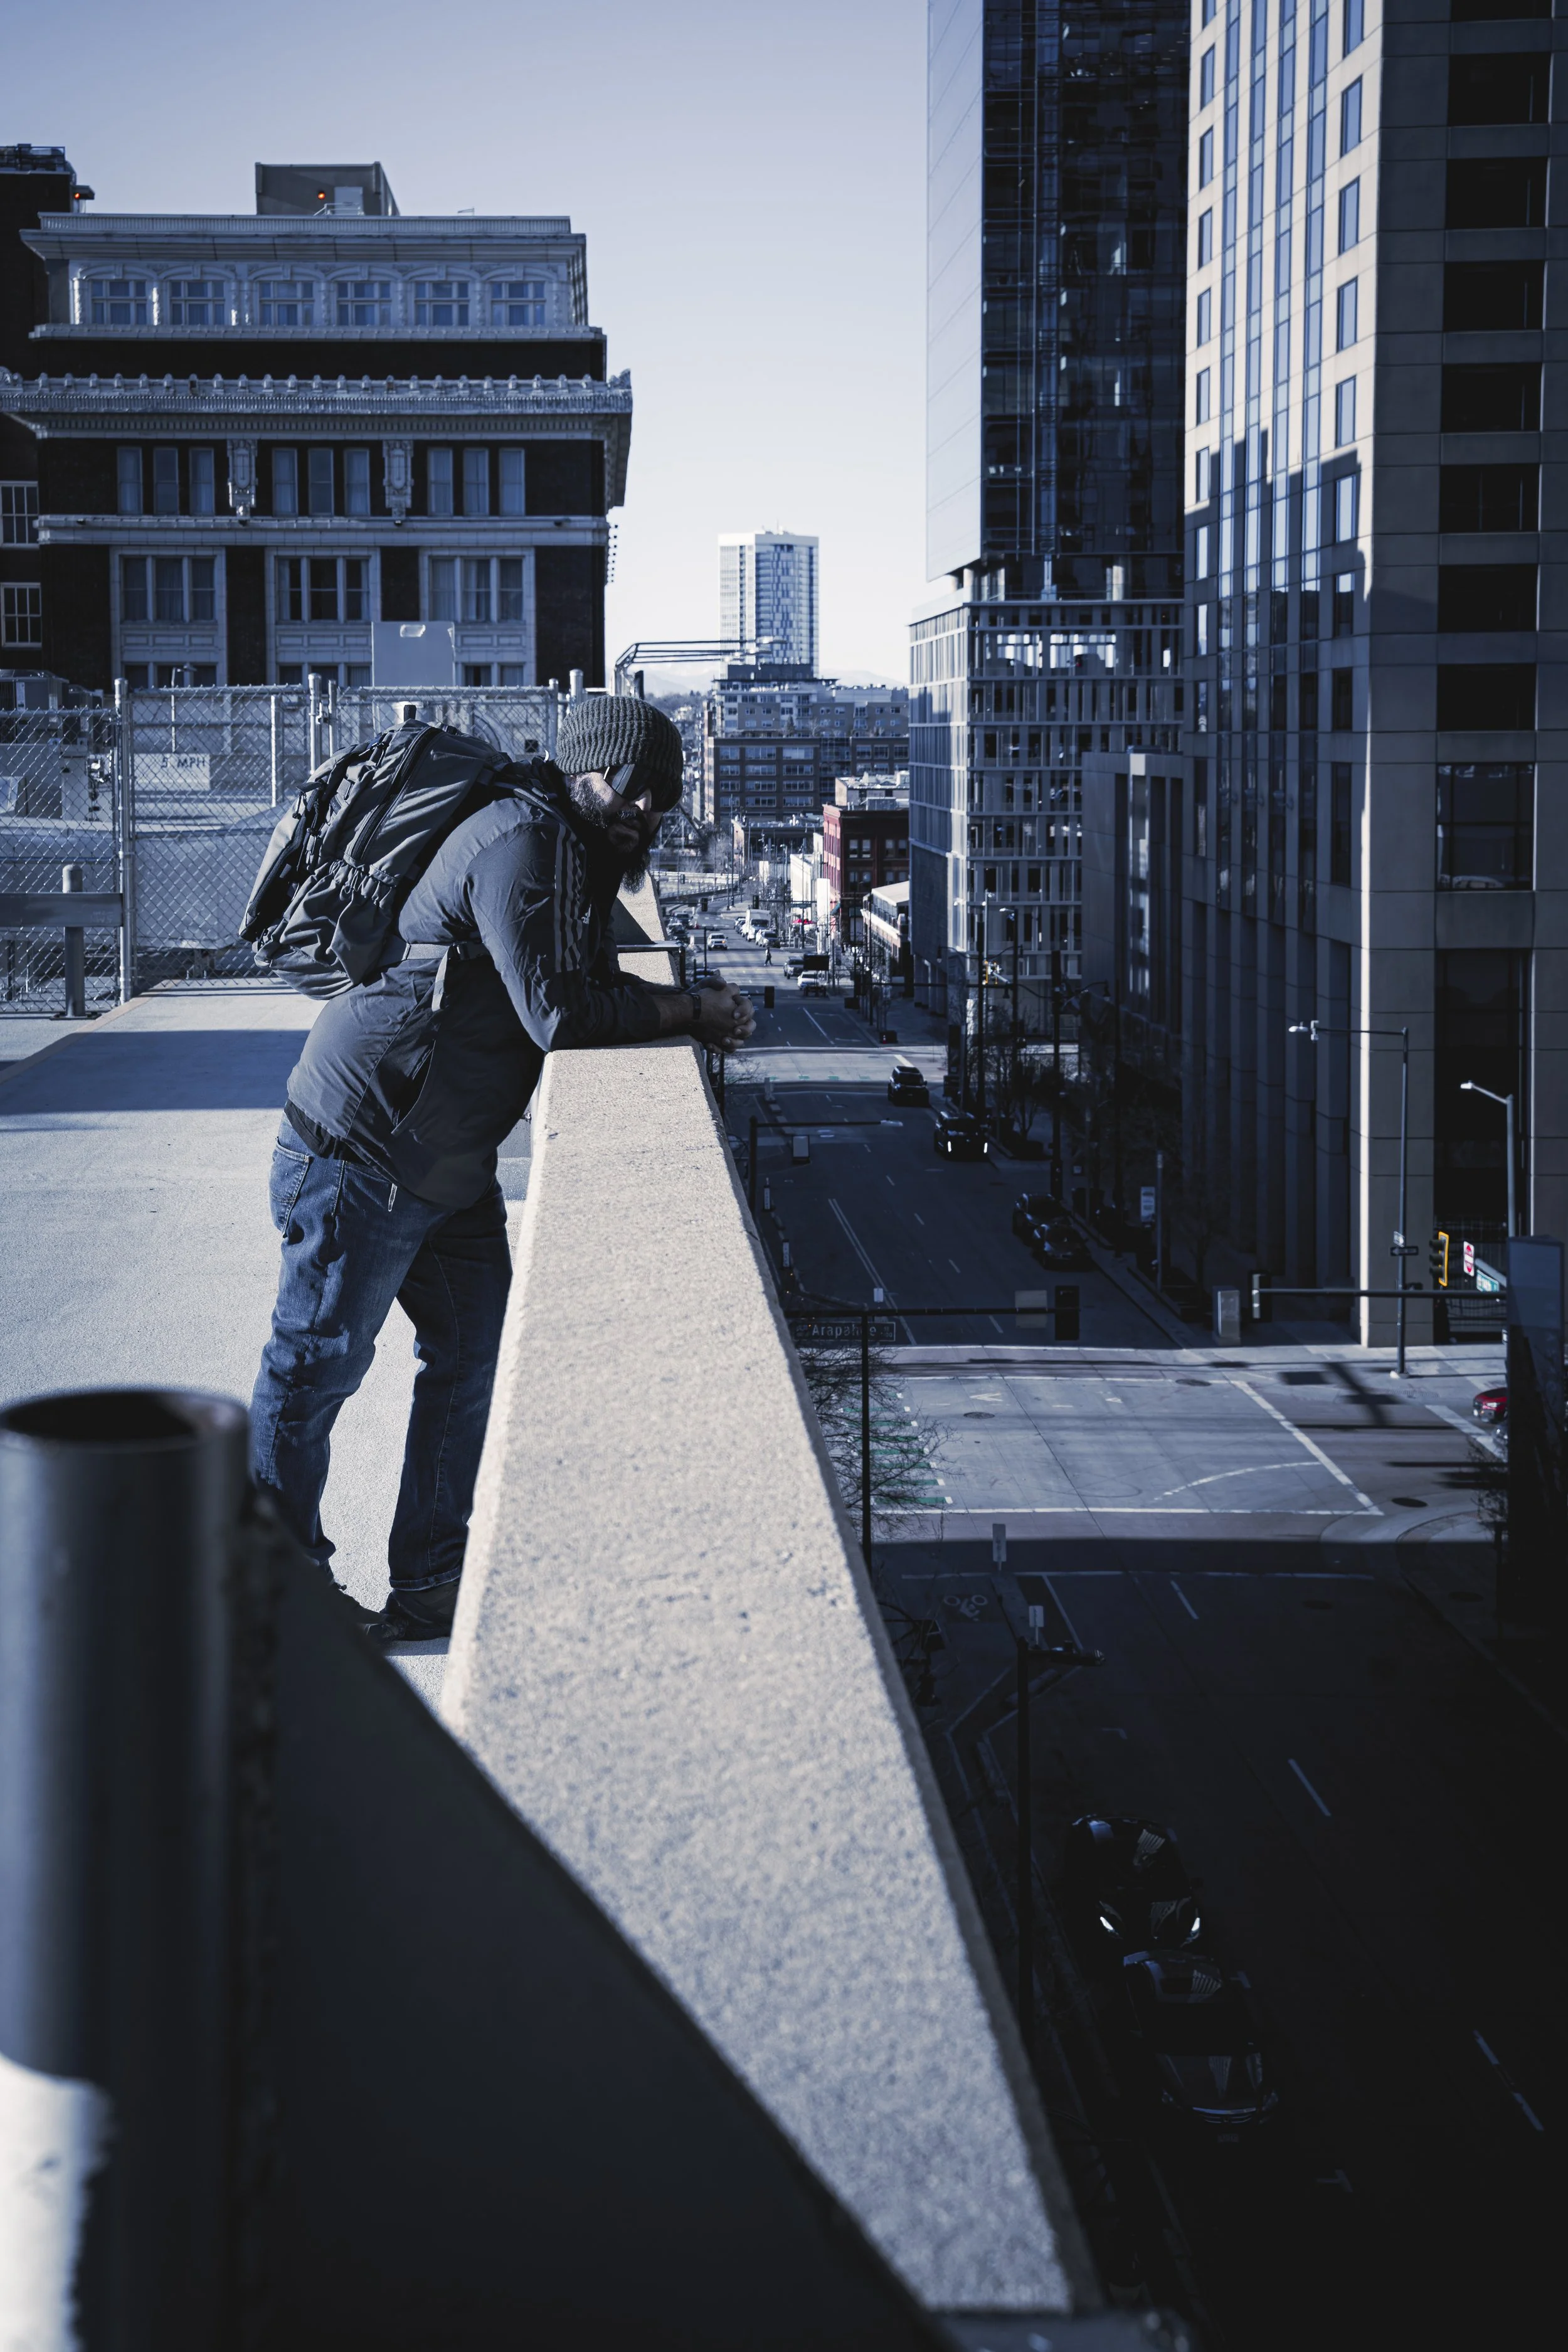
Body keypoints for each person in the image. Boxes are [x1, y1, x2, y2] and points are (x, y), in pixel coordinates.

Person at [250, 696, 753, 1643]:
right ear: (589, 772)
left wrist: (673, 1000)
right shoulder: (525, 839)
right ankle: (283, 1602)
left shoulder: (573, 849)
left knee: (475, 1351)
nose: (649, 810)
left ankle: (433, 1576)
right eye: (637, 788)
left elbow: (580, 981)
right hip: (358, 1147)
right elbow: (558, 1012)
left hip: (444, 1164)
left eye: (665, 798)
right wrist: (687, 1011)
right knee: (312, 1372)